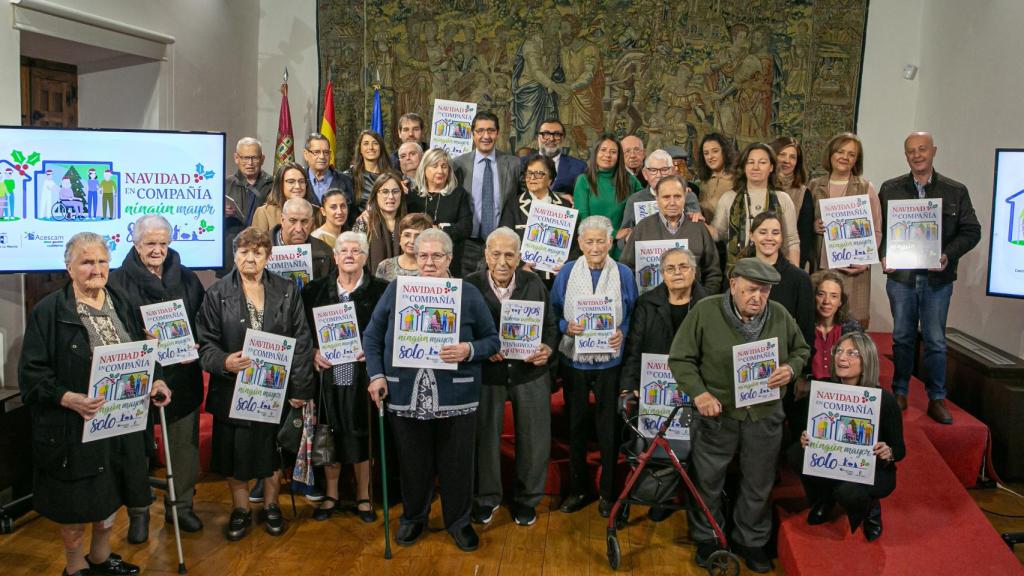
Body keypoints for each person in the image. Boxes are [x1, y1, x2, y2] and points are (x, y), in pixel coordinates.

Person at [19, 232, 172, 576]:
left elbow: (143, 354)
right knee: (75, 512)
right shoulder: (50, 311)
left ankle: (101, 560)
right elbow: (31, 375)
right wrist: (68, 398)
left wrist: (157, 379)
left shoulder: (121, 301)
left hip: (121, 427)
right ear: (69, 267)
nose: (96, 269)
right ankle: (75, 569)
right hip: (74, 429)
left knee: (110, 498)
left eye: (102, 261)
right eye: (87, 262)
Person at [668, 258, 810, 573]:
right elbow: (680, 358)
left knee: (758, 482)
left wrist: (790, 368)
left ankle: (752, 541)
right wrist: (700, 394)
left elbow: (801, 350)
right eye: (749, 290)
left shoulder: (781, 316)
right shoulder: (705, 311)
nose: (757, 297)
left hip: (764, 415)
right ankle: (709, 537)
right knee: (708, 479)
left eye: (764, 291)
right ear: (733, 285)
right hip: (718, 415)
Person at [364, 229, 500, 552]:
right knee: (413, 462)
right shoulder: (397, 290)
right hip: (405, 392)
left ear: (449, 259)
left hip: (457, 395)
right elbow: (372, 336)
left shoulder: (467, 293)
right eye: (423, 255)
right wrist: (376, 375)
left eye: (437, 256)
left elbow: (492, 340)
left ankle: (459, 521)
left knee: (457, 464)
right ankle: (413, 517)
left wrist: (468, 349)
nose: (429, 262)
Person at [195, 227, 315, 541]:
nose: (251, 258)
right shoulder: (217, 293)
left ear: (268, 256)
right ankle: (241, 509)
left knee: (270, 452)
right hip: (232, 390)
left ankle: (272, 506)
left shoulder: (287, 289)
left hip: (275, 390)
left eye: (258, 252)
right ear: (234, 255)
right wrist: (223, 362)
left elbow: (301, 341)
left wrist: (301, 389)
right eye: (244, 252)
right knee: (235, 456)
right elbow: (205, 344)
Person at [108, 215, 206, 534]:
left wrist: (197, 340)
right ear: (135, 244)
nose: (157, 250)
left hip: (182, 376)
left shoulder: (188, 279)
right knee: (135, 450)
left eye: (163, 243)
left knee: (183, 447)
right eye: (150, 243)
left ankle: (181, 507)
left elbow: (203, 320)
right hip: (137, 379)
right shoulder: (116, 282)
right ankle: (139, 513)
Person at [879, 131, 981, 423]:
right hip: (901, 279)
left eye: (922, 149)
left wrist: (947, 254)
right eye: (911, 150)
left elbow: (972, 231)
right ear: (906, 155)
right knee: (901, 337)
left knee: (936, 340)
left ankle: (937, 398)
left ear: (933, 151)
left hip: (938, 280)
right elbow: (879, 231)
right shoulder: (890, 189)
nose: (917, 155)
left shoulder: (955, 191)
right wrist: (883, 254)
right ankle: (900, 392)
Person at [465, 228, 558, 527]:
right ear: (485, 255)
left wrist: (548, 348)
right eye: (496, 254)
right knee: (484, 438)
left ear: (519, 257)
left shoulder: (534, 284)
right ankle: (487, 498)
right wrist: (482, 349)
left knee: (534, 438)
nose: (502, 261)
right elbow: (462, 330)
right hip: (487, 374)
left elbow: (551, 326)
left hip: (530, 372)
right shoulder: (470, 285)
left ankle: (527, 500)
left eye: (509, 254)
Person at [550, 216, 638, 516]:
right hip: (574, 360)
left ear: (611, 243)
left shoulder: (624, 273)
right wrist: (565, 326)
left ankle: (608, 493)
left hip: (609, 362)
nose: (596, 246)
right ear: (580, 244)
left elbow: (632, 313)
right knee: (575, 426)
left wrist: (621, 332)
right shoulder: (565, 272)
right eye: (589, 241)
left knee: (607, 428)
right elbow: (552, 312)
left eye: (601, 241)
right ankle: (577, 490)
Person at [302, 231, 389, 523]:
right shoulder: (313, 291)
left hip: (363, 375)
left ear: (365, 257)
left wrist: (375, 351)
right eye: (344, 251)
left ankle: (364, 497)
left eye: (357, 250)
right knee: (329, 435)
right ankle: (331, 495)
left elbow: (390, 333)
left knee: (361, 437)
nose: (350, 255)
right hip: (326, 376)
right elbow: (301, 333)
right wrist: (313, 351)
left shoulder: (382, 290)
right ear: (335, 257)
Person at [786, 333, 905, 542]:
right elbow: (804, 426)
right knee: (796, 453)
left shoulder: (884, 400)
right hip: (830, 462)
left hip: (871, 469)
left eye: (852, 353)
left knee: (848, 492)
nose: (842, 358)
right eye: (839, 351)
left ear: (866, 359)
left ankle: (870, 509)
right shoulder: (822, 389)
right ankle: (824, 498)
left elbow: (900, 449)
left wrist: (888, 452)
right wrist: (805, 436)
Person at [619, 246, 705, 522]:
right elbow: (634, 348)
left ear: (694, 271)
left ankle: (673, 497)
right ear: (662, 274)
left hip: (694, 389)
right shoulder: (647, 302)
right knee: (647, 444)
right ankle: (652, 494)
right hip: (653, 388)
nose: (678, 273)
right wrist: (628, 385)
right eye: (671, 268)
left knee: (689, 447)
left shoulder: (708, 303)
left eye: (683, 267)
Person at [807, 132, 882, 329]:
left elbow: (876, 230)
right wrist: (814, 226)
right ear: (830, 154)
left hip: (854, 273)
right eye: (840, 152)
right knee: (822, 326)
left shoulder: (866, 187)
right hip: (822, 270)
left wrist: (864, 261)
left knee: (851, 330)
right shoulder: (814, 186)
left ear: (857, 160)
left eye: (851, 154)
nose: (845, 157)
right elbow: (804, 226)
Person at [620, 176, 722, 294]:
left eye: (677, 196)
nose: (672, 202)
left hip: (693, 305)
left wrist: (702, 300)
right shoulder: (642, 228)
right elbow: (626, 270)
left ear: (685, 197)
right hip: (650, 306)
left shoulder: (698, 228)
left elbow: (713, 272)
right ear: (657, 199)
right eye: (666, 197)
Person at [452, 111, 522, 276]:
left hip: (503, 246)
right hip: (468, 245)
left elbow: (525, 197)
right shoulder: (458, 164)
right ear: (472, 134)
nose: (486, 136)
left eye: (490, 130)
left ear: (497, 133)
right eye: (480, 131)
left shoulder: (513, 164)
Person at [711, 142, 800, 271]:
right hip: (737, 272)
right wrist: (695, 219)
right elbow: (717, 233)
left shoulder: (783, 199)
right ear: (744, 166)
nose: (756, 167)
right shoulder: (728, 198)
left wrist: (795, 275)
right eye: (750, 162)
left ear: (771, 167)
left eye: (762, 162)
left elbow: (792, 240)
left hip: (775, 271)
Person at [499, 153, 569, 286]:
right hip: (522, 278)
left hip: (557, 278)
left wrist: (566, 266)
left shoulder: (565, 207)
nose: (532, 178)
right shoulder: (514, 205)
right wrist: (521, 266)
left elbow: (575, 246)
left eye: (538, 174)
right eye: (529, 173)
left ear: (550, 179)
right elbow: (504, 241)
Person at [573, 134, 643, 257]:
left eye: (613, 152)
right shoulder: (584, 180)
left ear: (619, 156)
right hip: (594, 248)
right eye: (603, 150)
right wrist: (614, 233)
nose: (607, 155)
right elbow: (583, 220)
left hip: (623, 249)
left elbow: (647, 202)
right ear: (595, 153)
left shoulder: (630, 181)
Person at [417, 148, 473, 277]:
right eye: (434, 166)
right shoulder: (413, 194)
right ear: (424, 169)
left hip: (450, 261)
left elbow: (466, 227)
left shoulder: (458, 194)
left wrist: (440, 229)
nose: (440, 171)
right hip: (418, 261)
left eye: (444, 166)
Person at [223, 137, 274, 277]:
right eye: (245, 158)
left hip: (262, 251)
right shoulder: (225, 185)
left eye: (254, 158)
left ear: (262, 159)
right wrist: (221, 214)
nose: (250, 163)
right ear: (236, 158)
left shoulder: (273, 185)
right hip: (231, 253)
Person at [619, 149, 701, 236]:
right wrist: (627, 238)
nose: (659, 175)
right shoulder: (635, 200)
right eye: (653, 170)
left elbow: (697, 231)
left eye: (664, 169)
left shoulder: (688, 196)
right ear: (645, 174)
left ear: (673, 171)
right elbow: (622, 238)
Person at [770, 136, 815, 269]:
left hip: (788, 264)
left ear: (797, 162)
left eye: (792, 157)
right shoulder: (760, 186)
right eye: (782, 154)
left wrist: (796, 270)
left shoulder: (803, 193)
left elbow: (804, 238)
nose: (786, 161)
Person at [353, 172, 408, 274]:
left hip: (404, 285)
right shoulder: (364, 223)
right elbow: (355, 260)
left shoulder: (409, 223)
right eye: (385, 191)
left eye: (395, 191)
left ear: (401, 194)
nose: (391, 196)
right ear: (375, 194)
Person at [270, 197, 336, 282]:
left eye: (304, 221)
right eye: (293, 221)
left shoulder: (324, 253)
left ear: (312, 222)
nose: (298, 229)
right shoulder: (260, 249)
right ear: (282, 220)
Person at [527, 118, 587, 201]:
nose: (551, 139)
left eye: (557, 134)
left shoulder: (579, 167)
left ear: (563, 138)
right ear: (537, 137)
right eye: (546, 134)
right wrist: (556, 196)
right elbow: (517, 193)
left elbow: (583, 197)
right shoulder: (521, 163)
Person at [253, 162, 321, 233]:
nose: (298, 186)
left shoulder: (317, 212)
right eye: (291, 182)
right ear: (280, 184)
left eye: (301, 181)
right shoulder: (264, 212)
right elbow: (257, 243)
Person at [345, 130, 393, 217]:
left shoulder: (393, 176)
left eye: (375, 143)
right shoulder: (349, 176)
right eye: (366, 143)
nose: (371, 147)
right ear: (360, 149)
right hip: (360, 226)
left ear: (381, 148)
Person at [303, 132, 355, 212]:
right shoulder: (299, 179)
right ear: (306, 154)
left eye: (326, 152)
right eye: (316, 152)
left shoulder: (346, 181)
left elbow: (353, 216)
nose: (322, 157)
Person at [375, 212, 433, 281]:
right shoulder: (384, 266)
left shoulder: (435, 268)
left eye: (418, 236)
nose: (412, 241)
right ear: (400, 238)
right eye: (407, 235)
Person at [696, 133, 736, 224]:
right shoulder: (704, 181)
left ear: (725, 152)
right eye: (706, 153)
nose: (710, 157)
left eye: (715, 151)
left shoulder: (736, 179)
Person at [395, 141, 426, 213]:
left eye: (412, 154)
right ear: (399, 162)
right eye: (403, 156)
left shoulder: (433, 181)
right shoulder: (395, 183)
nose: (408, 158)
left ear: (422, 157)